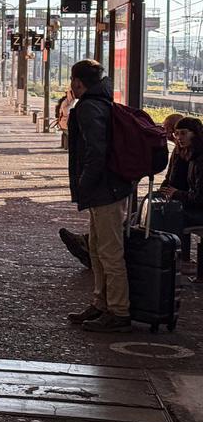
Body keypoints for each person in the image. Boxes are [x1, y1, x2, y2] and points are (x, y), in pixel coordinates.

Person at [60, 112, 185, 269]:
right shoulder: (179, 151)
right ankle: (91, 244)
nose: (167, 134)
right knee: (136, 216)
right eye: (174, 132)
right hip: (175, 196)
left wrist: (175, 193)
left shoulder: (189, 155)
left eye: (172, 131)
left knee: (140, 216)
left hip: (181, 199)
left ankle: (94, 246)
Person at [65, 60, 134, 332]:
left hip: (106, 191)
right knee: (96, 248)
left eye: (73, 80)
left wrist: (84, 183)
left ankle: (119, 311)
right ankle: (101, 303)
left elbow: (96, 151)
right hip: (107, 189)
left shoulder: (89, 107)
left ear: (77, 81)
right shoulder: (100, 102)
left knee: (110, 253)